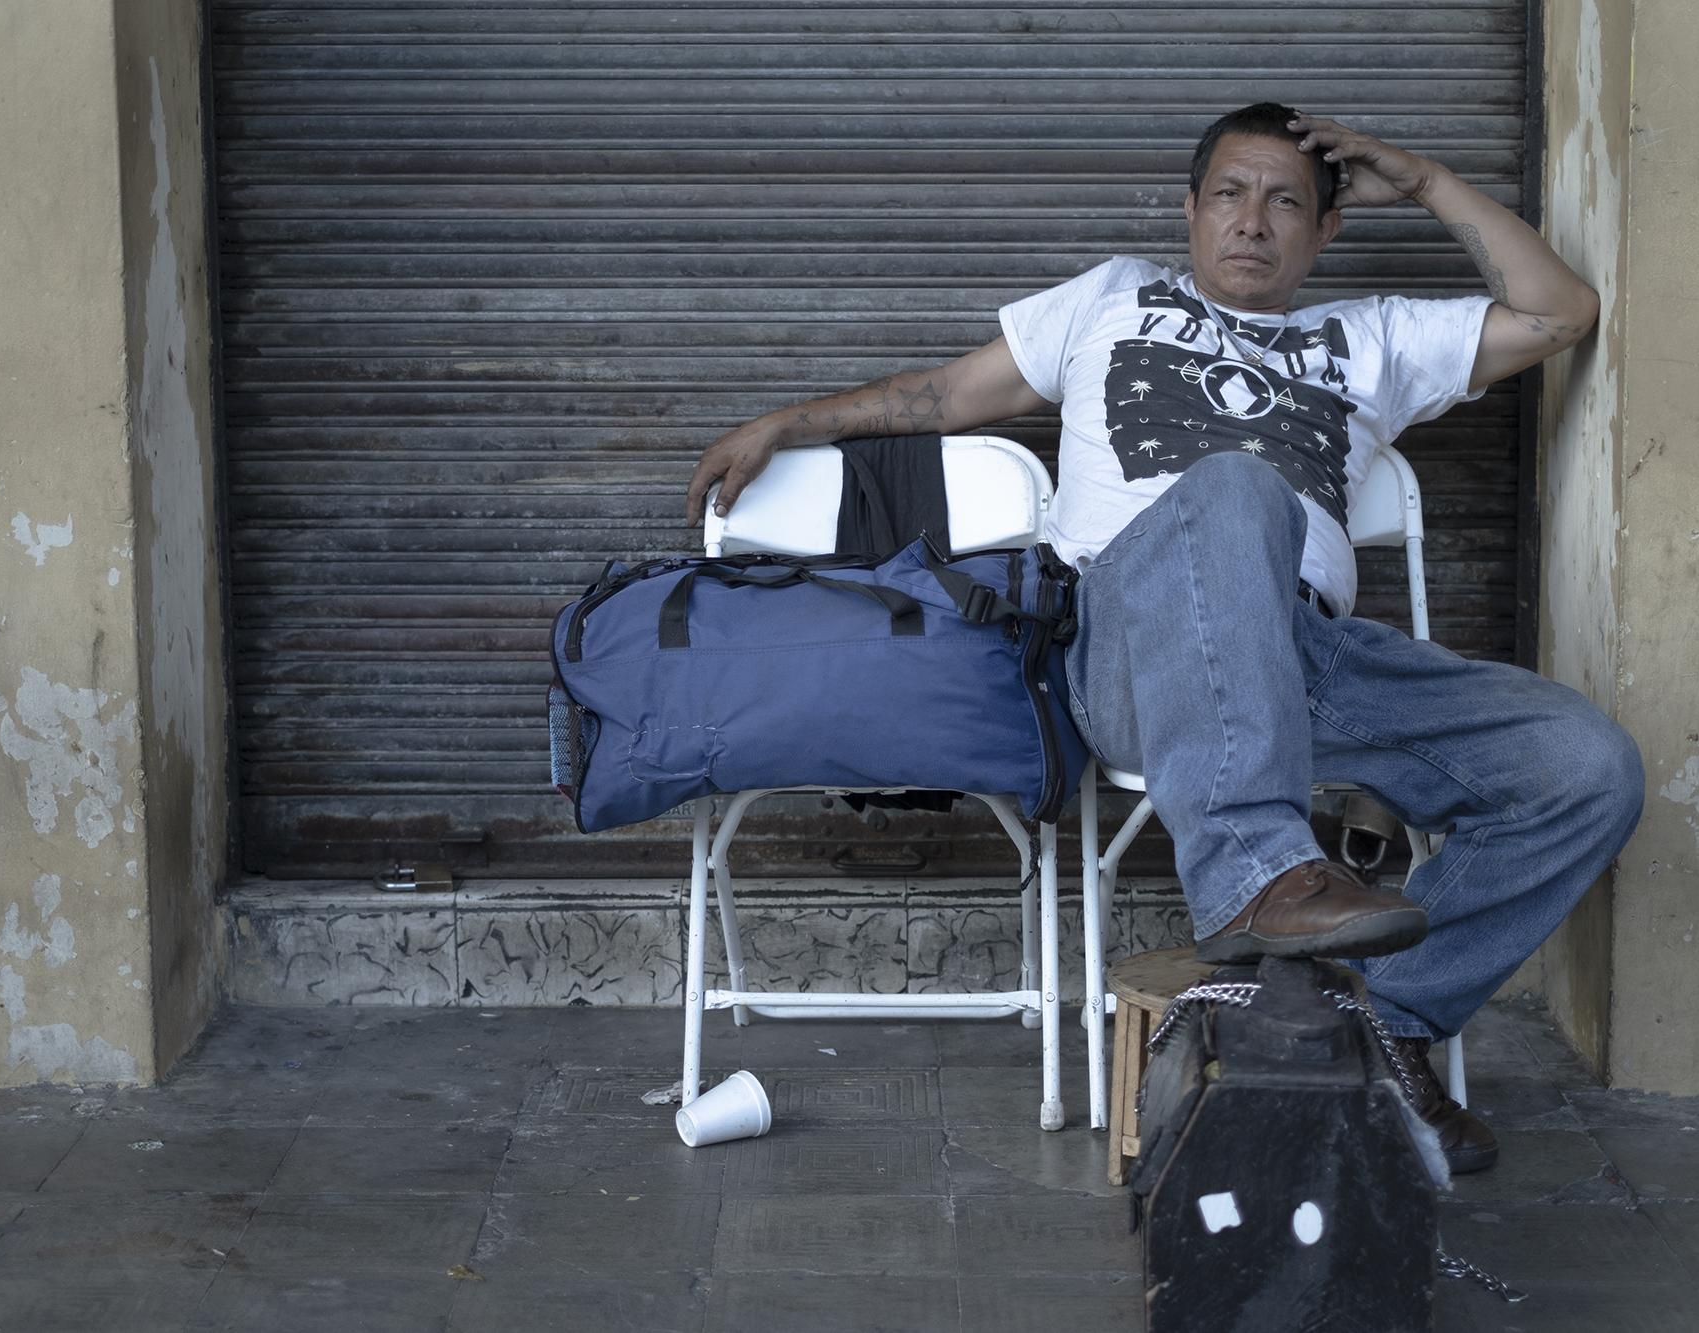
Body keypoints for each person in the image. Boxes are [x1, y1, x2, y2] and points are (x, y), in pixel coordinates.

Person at [683, 104, 1644, 1173]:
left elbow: (1559, 312)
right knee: (1232, 485)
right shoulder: (1108, 298)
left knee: (1585, 767)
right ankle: (1255, 876)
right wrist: (787, 422)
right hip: (1126, 648)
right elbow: (945, 394)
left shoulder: (1365, 341)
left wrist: (1422, 181)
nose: (1251, 220)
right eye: (1229, 193)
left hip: (1306, 661)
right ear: (1188, 212)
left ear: (1323, 232)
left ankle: (1384, 1026)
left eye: (1285, 201)